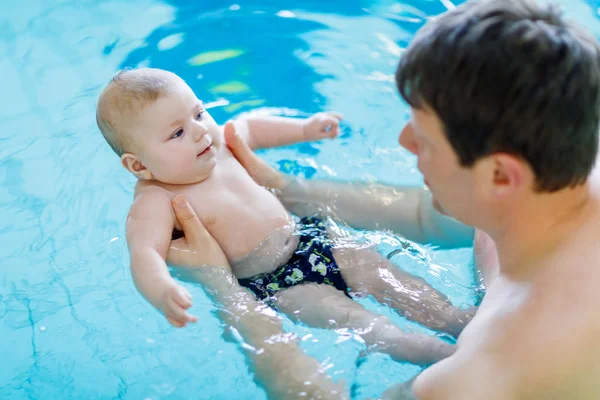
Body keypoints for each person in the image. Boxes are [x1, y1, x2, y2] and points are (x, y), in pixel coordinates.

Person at [169, 0, 600, 398]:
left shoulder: (485, 375)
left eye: (425, 140)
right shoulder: (555, 173)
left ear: (500, 175)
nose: (404, 141)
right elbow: (426, 216)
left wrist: (221, 286)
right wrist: (288, 191)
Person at [95, 68, 473, 368]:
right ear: (138, 164)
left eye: (199, 112)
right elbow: (144, 251)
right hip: (277, 284)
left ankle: (456, 320)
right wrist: (161, 289)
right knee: (358, 322)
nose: (199, 131)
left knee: (393, 281)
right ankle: (431, 355)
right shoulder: (156, 199)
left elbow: (251, 127)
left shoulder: (219, 145)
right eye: (177, 132)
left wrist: (305, 129)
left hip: (313, 239)